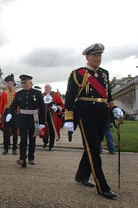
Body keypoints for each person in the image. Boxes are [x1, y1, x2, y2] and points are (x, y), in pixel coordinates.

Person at [64, 43, 123, 199]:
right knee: (94, 151)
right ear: (87, 57)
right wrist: (69, 118)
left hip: (102, 114)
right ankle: (102, 187)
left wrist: (114, 107)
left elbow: (107, 96)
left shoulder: (104, 74)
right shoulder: (78, 74)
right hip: (86, 113)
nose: (98, 58)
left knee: (93, 146)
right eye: (95, 56)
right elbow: (70, 97)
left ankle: (81, 176)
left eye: (99, 55)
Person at [7, 75, 45, 167]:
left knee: (32, 139)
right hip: (23, 118)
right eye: (22, 83)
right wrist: (10, 113)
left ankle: (31, 157)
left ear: (30, 82)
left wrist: (42, 123)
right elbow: (13, 105)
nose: (23, 84)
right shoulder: (19, 93)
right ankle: (22, 159)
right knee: (23, 139)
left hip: (33, 118)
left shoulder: (37, 93)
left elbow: (42, 109)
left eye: (25, 82)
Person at [40, 84, 64, 151]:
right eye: (45, 87)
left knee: (52, 130)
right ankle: (45, 142)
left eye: (47, 87)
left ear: (50, 88)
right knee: (43, 129)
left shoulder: (55, 95)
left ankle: (51, 145)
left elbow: (61, 105)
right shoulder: (42, 95)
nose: (46, 88)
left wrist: (55, 107)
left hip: (52, 116)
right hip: (44, 115)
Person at [0, 74, 18, 155]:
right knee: (5, 131)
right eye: (7, 82)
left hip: (15, 112)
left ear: (13, 83)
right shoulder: (4, 93)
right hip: (6, 112)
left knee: (15, 131)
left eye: (9, 82)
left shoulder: (17, 92)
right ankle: (6, 148)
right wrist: (0, 115)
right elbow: (1, 105)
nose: (7, 84)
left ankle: (14, 148)